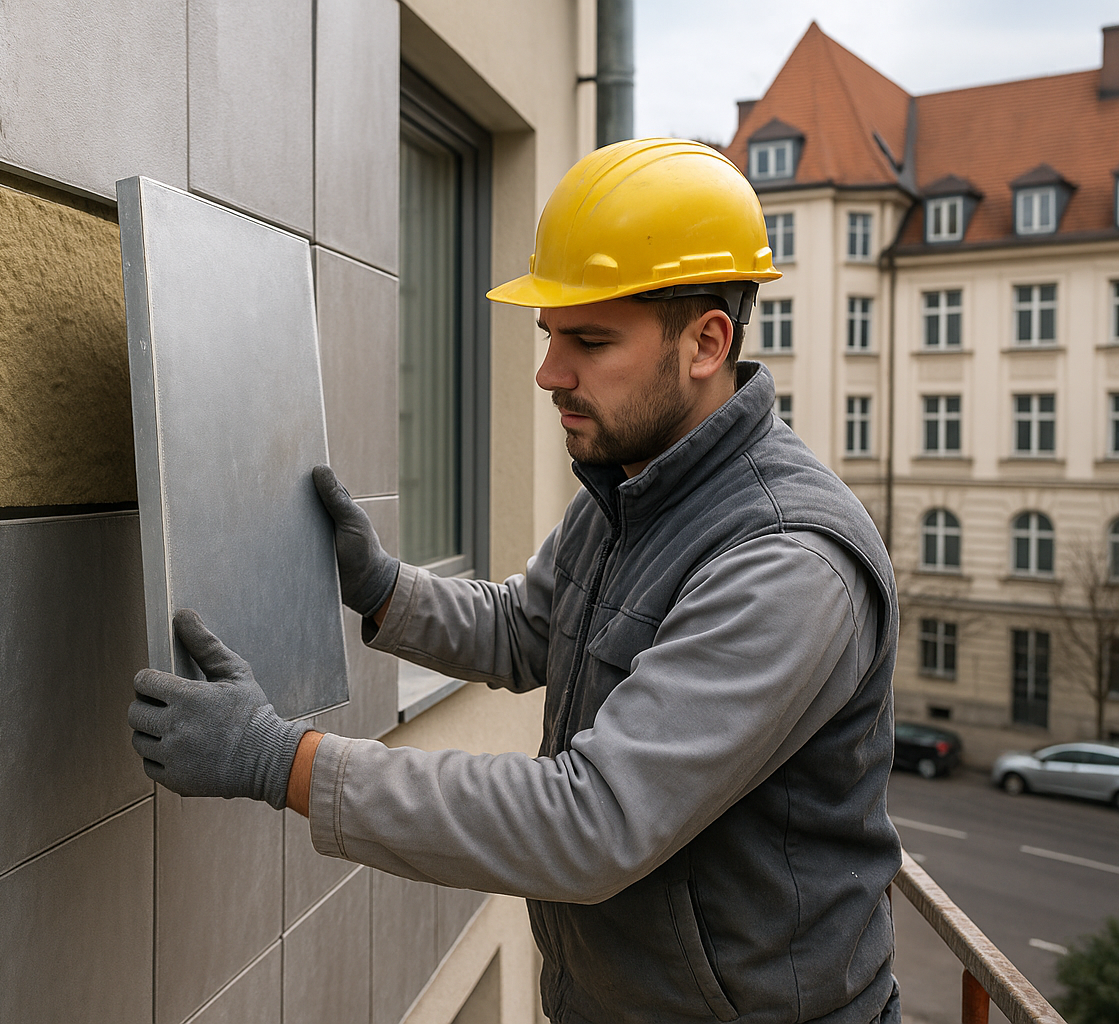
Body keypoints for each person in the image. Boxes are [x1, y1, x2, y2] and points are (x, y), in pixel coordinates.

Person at [128, 139, 903, 1024]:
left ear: (706, 342)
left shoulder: (787, 562)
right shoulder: (633, 481)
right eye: (549, 337)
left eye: (590, 340)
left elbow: (590, 824)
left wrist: (280, 761)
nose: (549, 374)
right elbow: (526, 629)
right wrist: (383, 587)